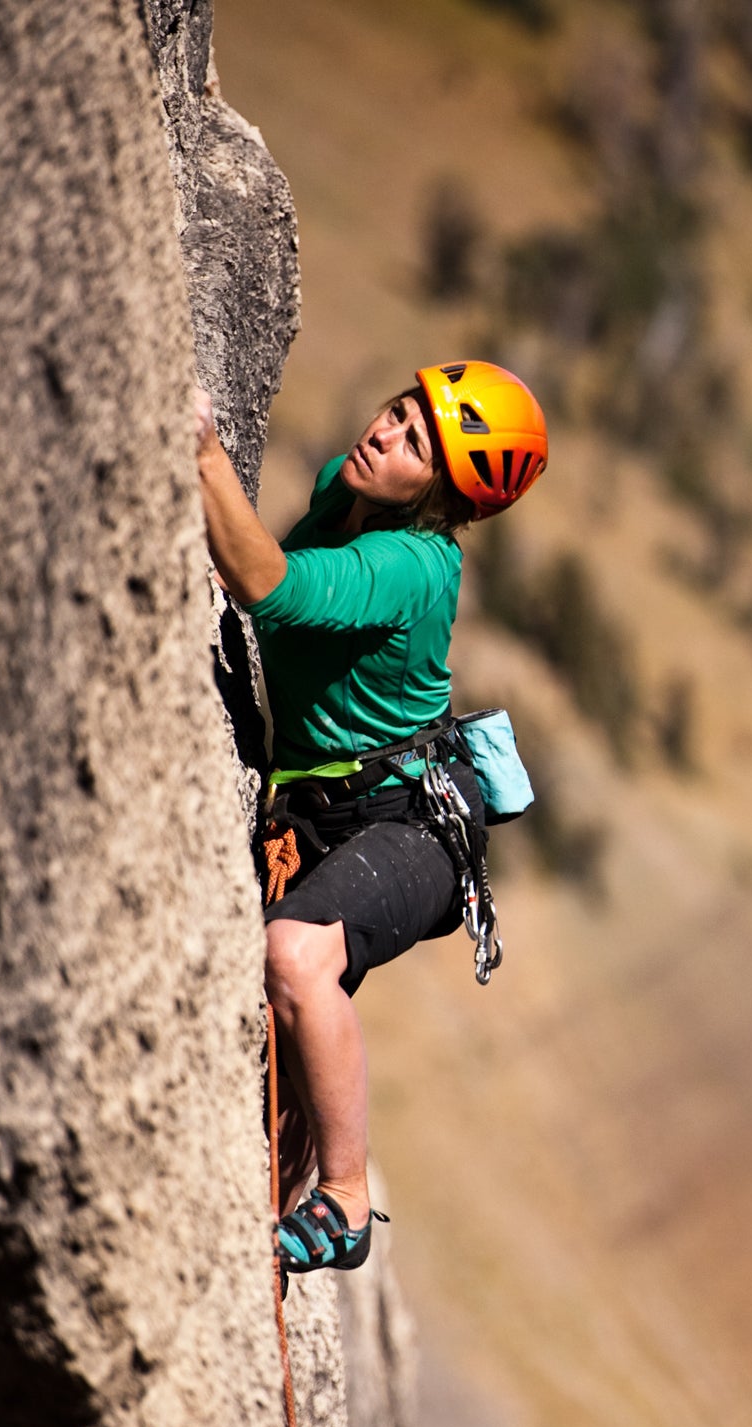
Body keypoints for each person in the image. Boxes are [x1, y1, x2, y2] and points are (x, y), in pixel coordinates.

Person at [194, 360, 548, 1275]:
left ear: (439, 495)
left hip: (411, 830)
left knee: (295, 954)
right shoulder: (340, 493)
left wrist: (196, 449)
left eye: (416, 443)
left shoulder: (413, 565)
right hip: (336, 805)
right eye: (399, 412)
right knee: (290, 969)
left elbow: (267, 585)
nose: (386, 433)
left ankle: (345, 1203)